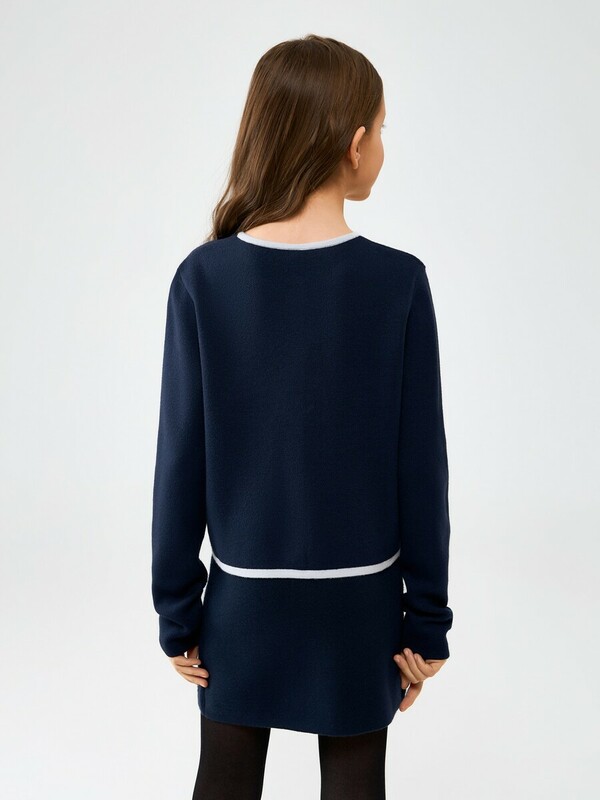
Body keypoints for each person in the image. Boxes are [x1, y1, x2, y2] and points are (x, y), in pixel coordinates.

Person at [151, 33, 453, 800]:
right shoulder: (398, 283)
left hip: (241, 605)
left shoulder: (204, 279)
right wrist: (426, 624)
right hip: (361, 608)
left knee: (223, 782)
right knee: (355, 784)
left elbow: (180, 460)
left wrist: (178, 612)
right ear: (354, 144)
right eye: (382, 129)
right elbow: (421, 469)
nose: (382, 146)